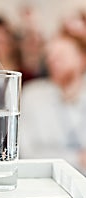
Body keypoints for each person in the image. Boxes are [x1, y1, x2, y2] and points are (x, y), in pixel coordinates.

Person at [20, 35, 86, 174]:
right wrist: (76, 158)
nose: (52, 61)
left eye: (61, 55)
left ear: (82, 59)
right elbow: (25, 152)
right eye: (50, 56)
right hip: (46, 182)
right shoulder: (32, 94)